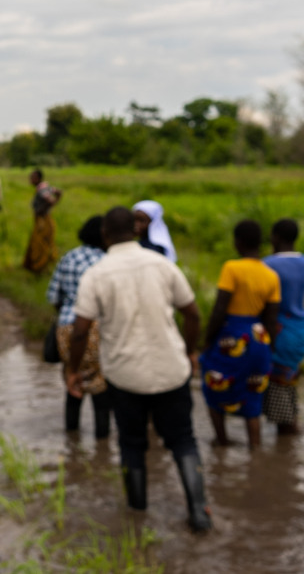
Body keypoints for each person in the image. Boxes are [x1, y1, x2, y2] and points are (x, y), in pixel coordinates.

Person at [69, 206, 210, 532]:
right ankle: (199, 512)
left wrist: (73, 371)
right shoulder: (162, 265)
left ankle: (137, 514)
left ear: (104, 235)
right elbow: (193, 314)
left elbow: (79, 330)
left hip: (125, 375)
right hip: (171, 370)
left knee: (132, 444)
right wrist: (190, 351)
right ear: (135, 230)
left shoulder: (97, 274)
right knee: (183, 441)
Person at [199, 220, 279, 449]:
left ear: (238, 242)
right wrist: (268, 349)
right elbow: (271, 318)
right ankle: (255, 449)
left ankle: (221, 441)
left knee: (215, 387)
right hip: (259, 338)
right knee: (253, 395)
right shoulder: (271, 275)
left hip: (232, 334)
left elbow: (219, 308)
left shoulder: (231, 268)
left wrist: (207, 340)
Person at [47, 215, 110, 439]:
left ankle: (71, 441)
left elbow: (54, 296)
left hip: (66, 327)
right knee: (100, 387)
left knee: (73, 380)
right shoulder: (107, 261)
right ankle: (102, 446)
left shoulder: (68, 258)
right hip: (98, 329)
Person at [264, 218, 304, 435]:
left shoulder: (268, 264)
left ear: (275, 236)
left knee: (277, 386)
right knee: (289, 381)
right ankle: (290, 426)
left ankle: (287, 434)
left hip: (279, 330)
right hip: (301, 329)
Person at [22, 169, 63, 275]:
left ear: (39, 178)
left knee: (40, 244)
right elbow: (58, 192)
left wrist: (47, 206)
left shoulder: (42, 190)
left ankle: (39, 268)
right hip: (44, 219)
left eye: (33, 178)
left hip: (43, 220)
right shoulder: (46, 187)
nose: (31, 180)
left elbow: (49, 200)